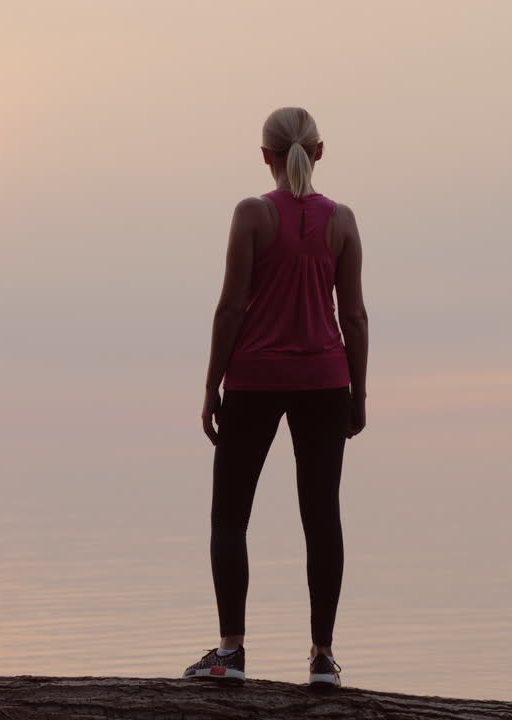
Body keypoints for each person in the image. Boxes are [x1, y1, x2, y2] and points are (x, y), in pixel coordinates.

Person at [181, 106, 369, 688]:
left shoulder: (252, 214)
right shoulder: (342, 220)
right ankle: (322, 660)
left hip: (255, 380)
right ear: (318, 151)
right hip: (325, 381)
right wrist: (358, 393)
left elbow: (231, 306)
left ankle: (231, 654)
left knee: (230, 516)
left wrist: (212, 382)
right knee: (322, 518)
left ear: (266, 156)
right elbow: (354, 315)